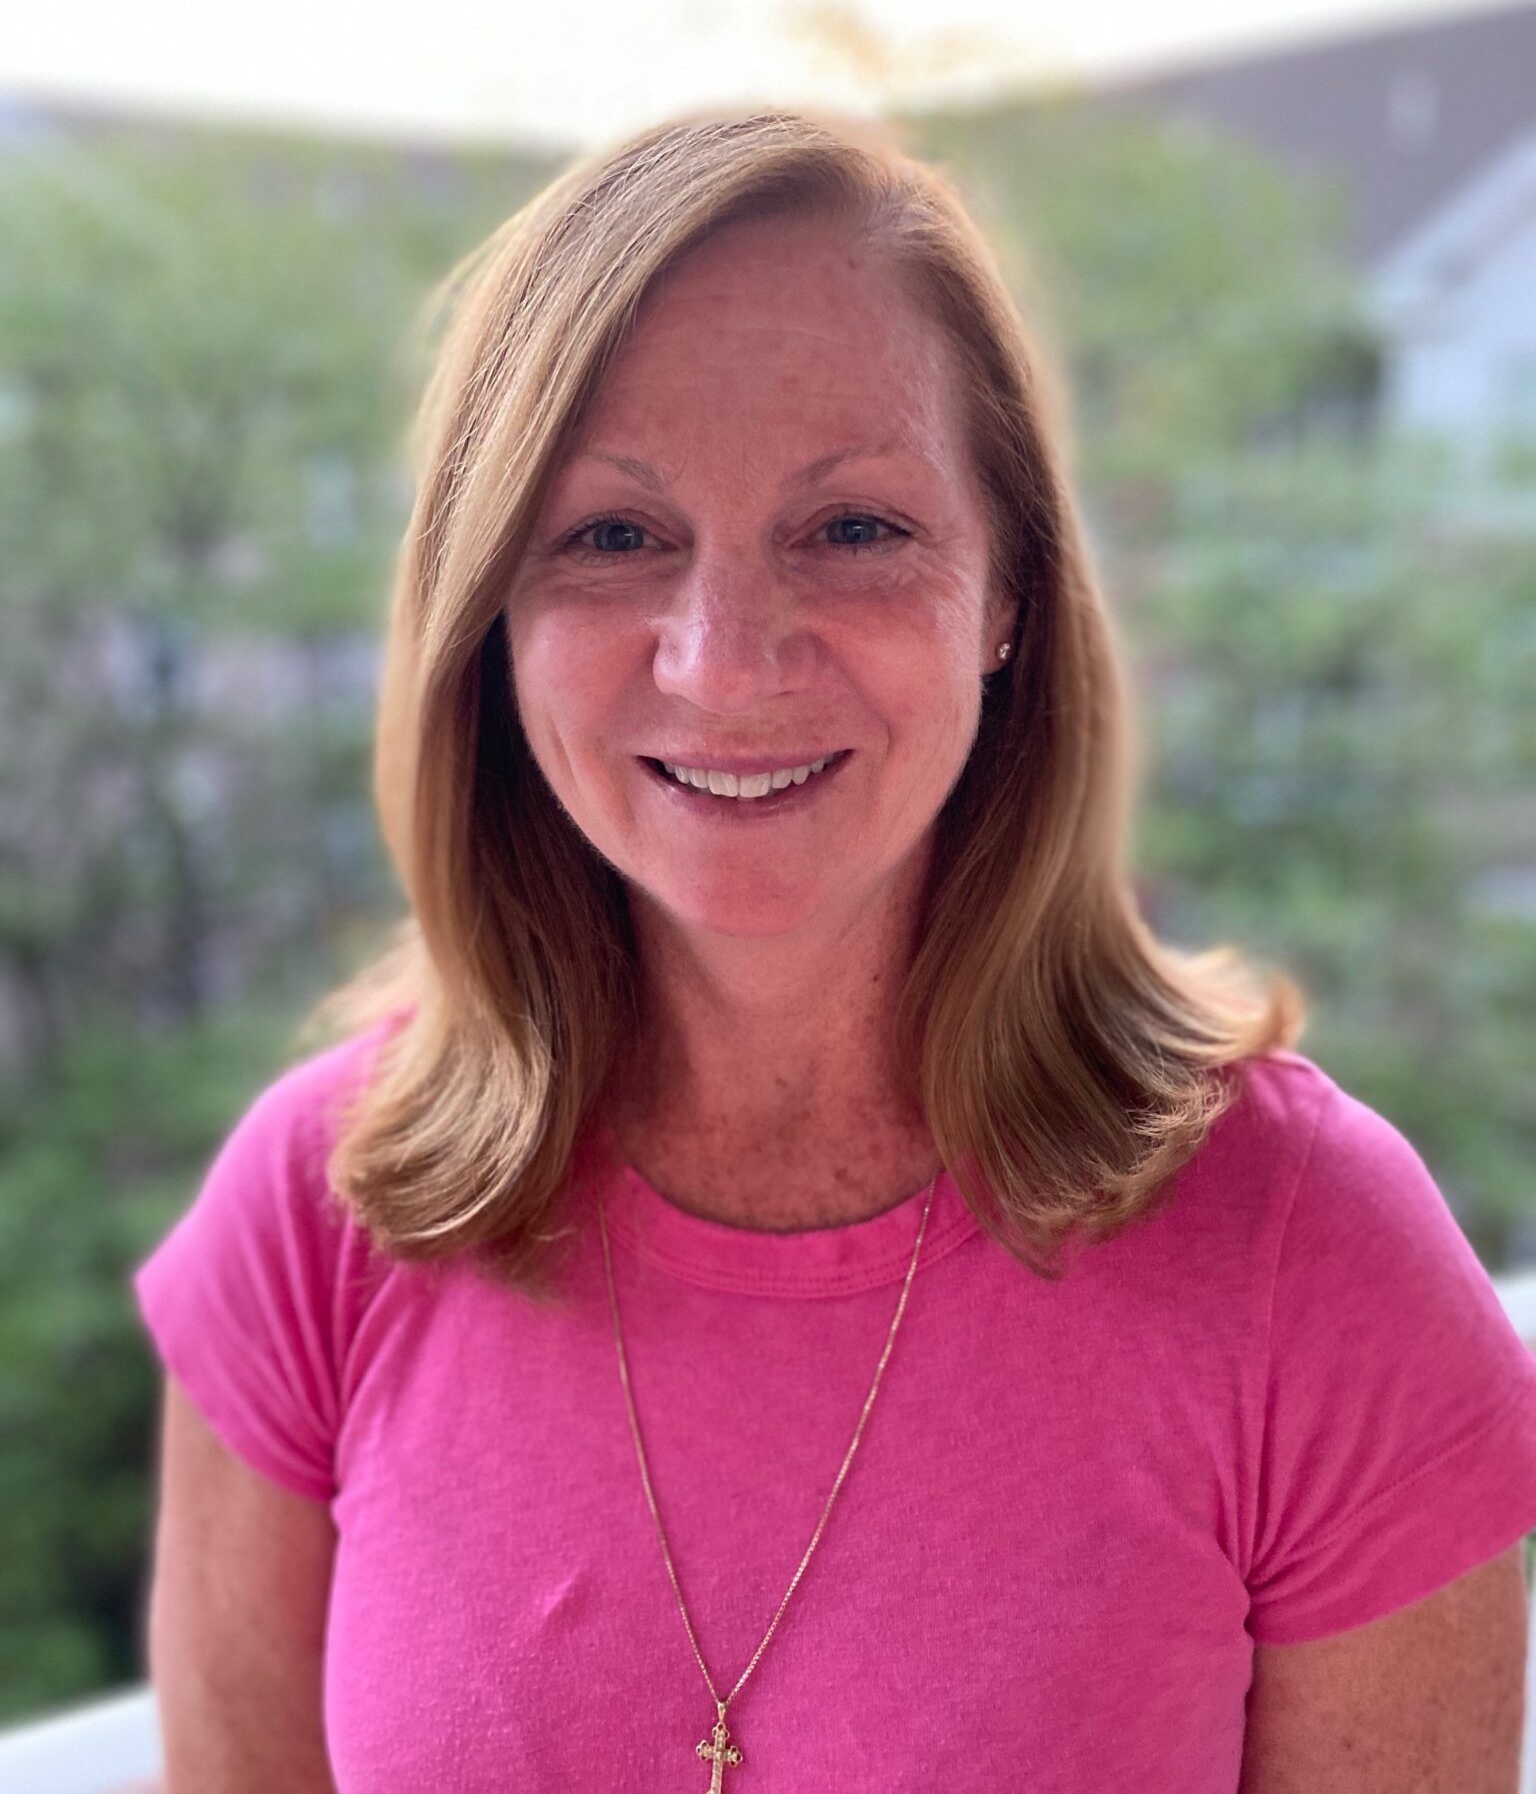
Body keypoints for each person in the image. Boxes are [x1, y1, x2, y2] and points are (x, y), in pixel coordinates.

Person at [132, 105, 1536, 1792]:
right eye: (612, 535)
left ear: (1006, 589)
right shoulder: (313, 1216)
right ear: (488, 612)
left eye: (854, 528)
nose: (725, 664)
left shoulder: (1318, 1265)